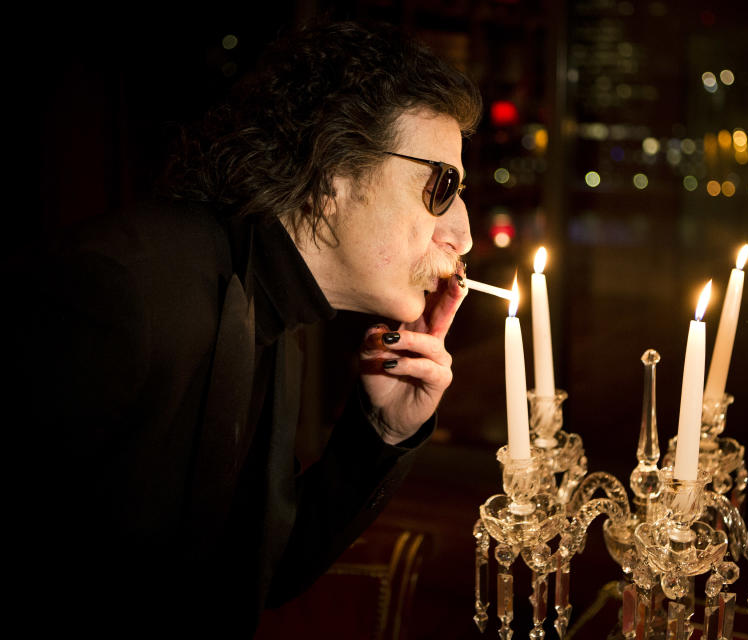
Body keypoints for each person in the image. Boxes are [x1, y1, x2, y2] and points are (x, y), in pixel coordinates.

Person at [12, 21, 481, 636]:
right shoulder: (114, 294)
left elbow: (261, 575)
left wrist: (383, 431)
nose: (464, 236)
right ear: (334, 171)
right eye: (441, 186)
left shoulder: (280, 322)